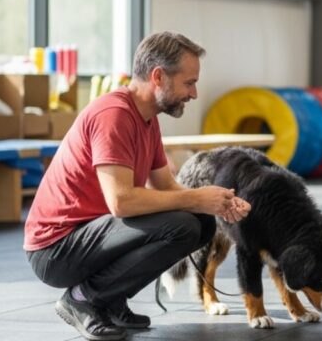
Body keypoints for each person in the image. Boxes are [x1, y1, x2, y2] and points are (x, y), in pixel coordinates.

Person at [24, 32, 251, 340]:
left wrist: (216, 201)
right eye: (189, 83)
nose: (194, 93)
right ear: (158, 76)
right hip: (55, 250)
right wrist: (196, 198)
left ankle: (110, 300)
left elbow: (166, 185)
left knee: (201, 223)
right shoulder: (114, 115)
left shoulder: (147, 118)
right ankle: (83, 299)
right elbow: (122, 202)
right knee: (182, 225)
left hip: (90, 235)